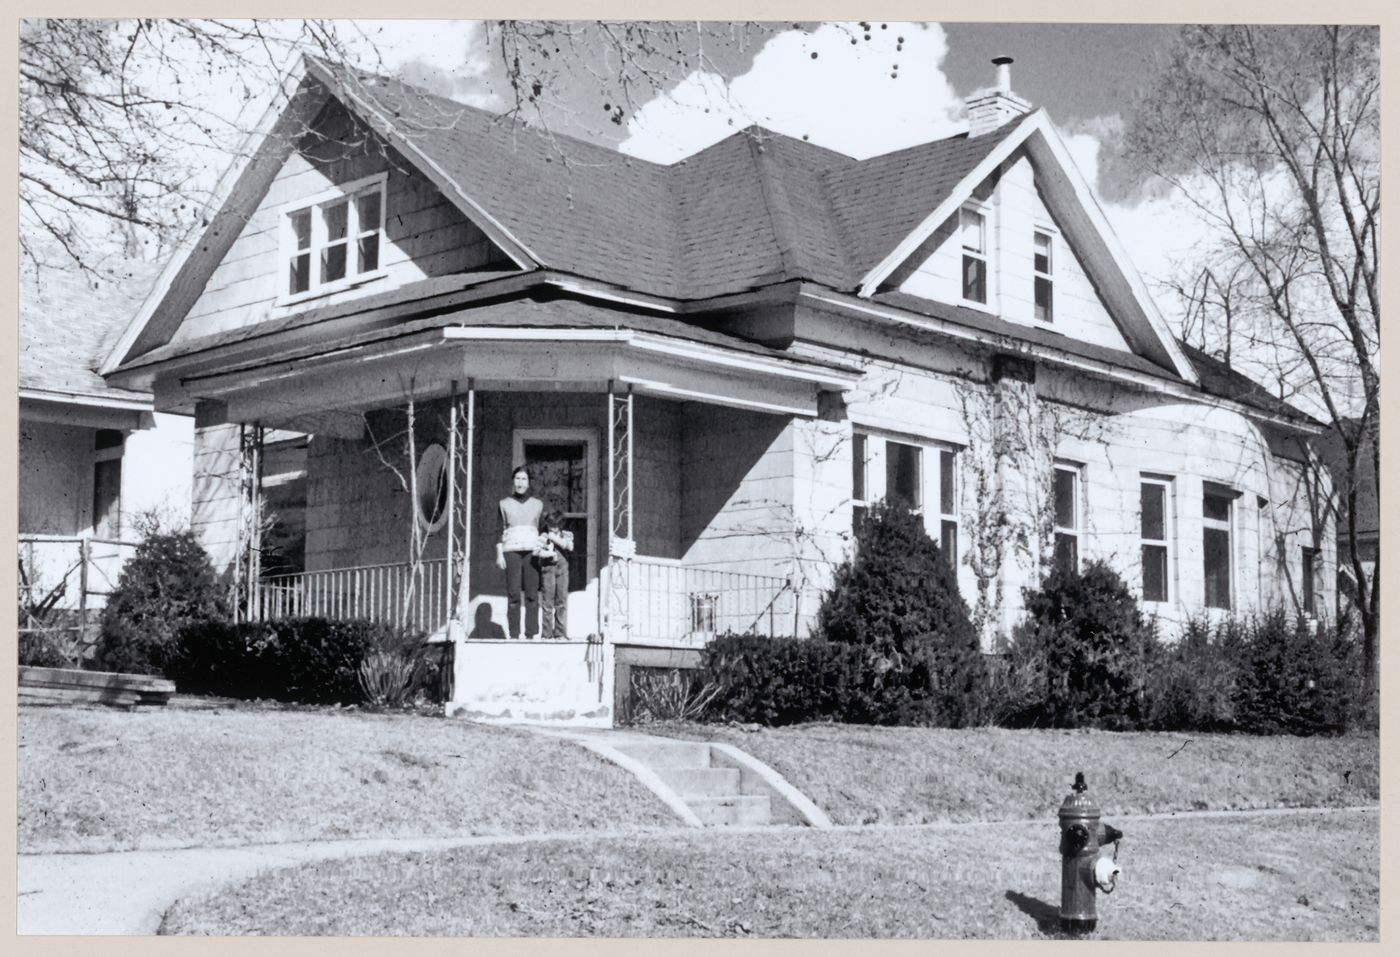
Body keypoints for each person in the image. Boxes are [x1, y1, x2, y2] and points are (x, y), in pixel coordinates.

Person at [496, 465, 544, 640]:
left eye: (524, 479)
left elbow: (544, 530)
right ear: (513, 481)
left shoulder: (538, 504)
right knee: (514, 594)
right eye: (517, 479)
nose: (520, 482)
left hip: (532, 553)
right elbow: (498, 530)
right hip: (511, 552)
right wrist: (499, 554)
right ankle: (514, 634)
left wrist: (543, 549)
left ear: (529, 482)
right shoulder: (504, 504)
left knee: (532, 594)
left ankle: (531, 633)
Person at [535, 508, 574, 640]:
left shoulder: (567, 535)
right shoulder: (543, 536)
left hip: (562, 570)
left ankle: (560, 633)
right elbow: (536, 552)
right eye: (550, 525)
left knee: (561, 601)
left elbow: (569, 547)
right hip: (548, 569)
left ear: (561, 524)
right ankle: (546, 634)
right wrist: (550, 553)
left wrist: (553, 537)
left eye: (555, 526)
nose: (552, 528)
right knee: (547, 602)